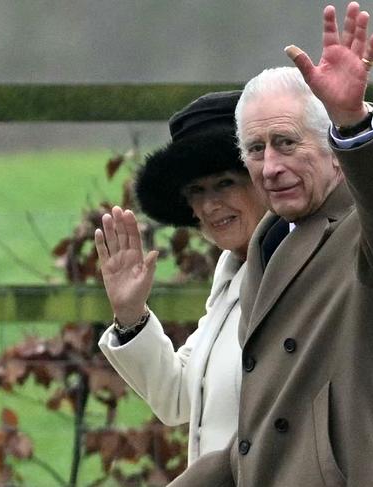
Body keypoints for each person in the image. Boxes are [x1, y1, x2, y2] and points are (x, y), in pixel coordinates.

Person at [169, 3, 373, 486]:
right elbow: (260, 438)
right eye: (256, 149)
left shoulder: (371, 232)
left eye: (286, 143)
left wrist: (355, 124)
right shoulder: (268, 242)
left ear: (332, 148)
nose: (269, 166)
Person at [94, 91, 267, 465]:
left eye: (224, 183)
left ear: (263, 180)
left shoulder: (305, 267)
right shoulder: (232, 274)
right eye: (196, 191)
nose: (209, 205)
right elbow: (178, 398)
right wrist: (130, 314)